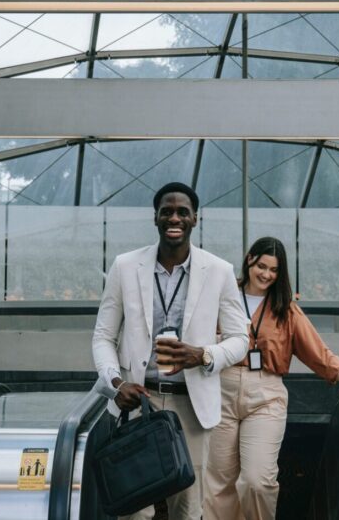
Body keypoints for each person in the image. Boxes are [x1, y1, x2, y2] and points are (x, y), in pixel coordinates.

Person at [92, 182, 249, 520]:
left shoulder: (219, 270)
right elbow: (103, 336)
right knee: (134, 510)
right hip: (137, 401)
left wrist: (204, 355)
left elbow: (240, 339)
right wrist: (116, 384)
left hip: (192, 406)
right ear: (156, 218)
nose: (174, 217)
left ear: (195, 219)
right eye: (167, 211)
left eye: (182, 212)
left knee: (188, 507)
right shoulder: (124, 266)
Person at [203, 236, 339, 520]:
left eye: (274, 270)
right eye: (262, 266)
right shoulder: (224, 296)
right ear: (249, 260)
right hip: (220, 391)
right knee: (218, 485)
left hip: (265, 395)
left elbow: (317, 352)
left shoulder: (285, 309)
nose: (266, 274)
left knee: (257, 481)